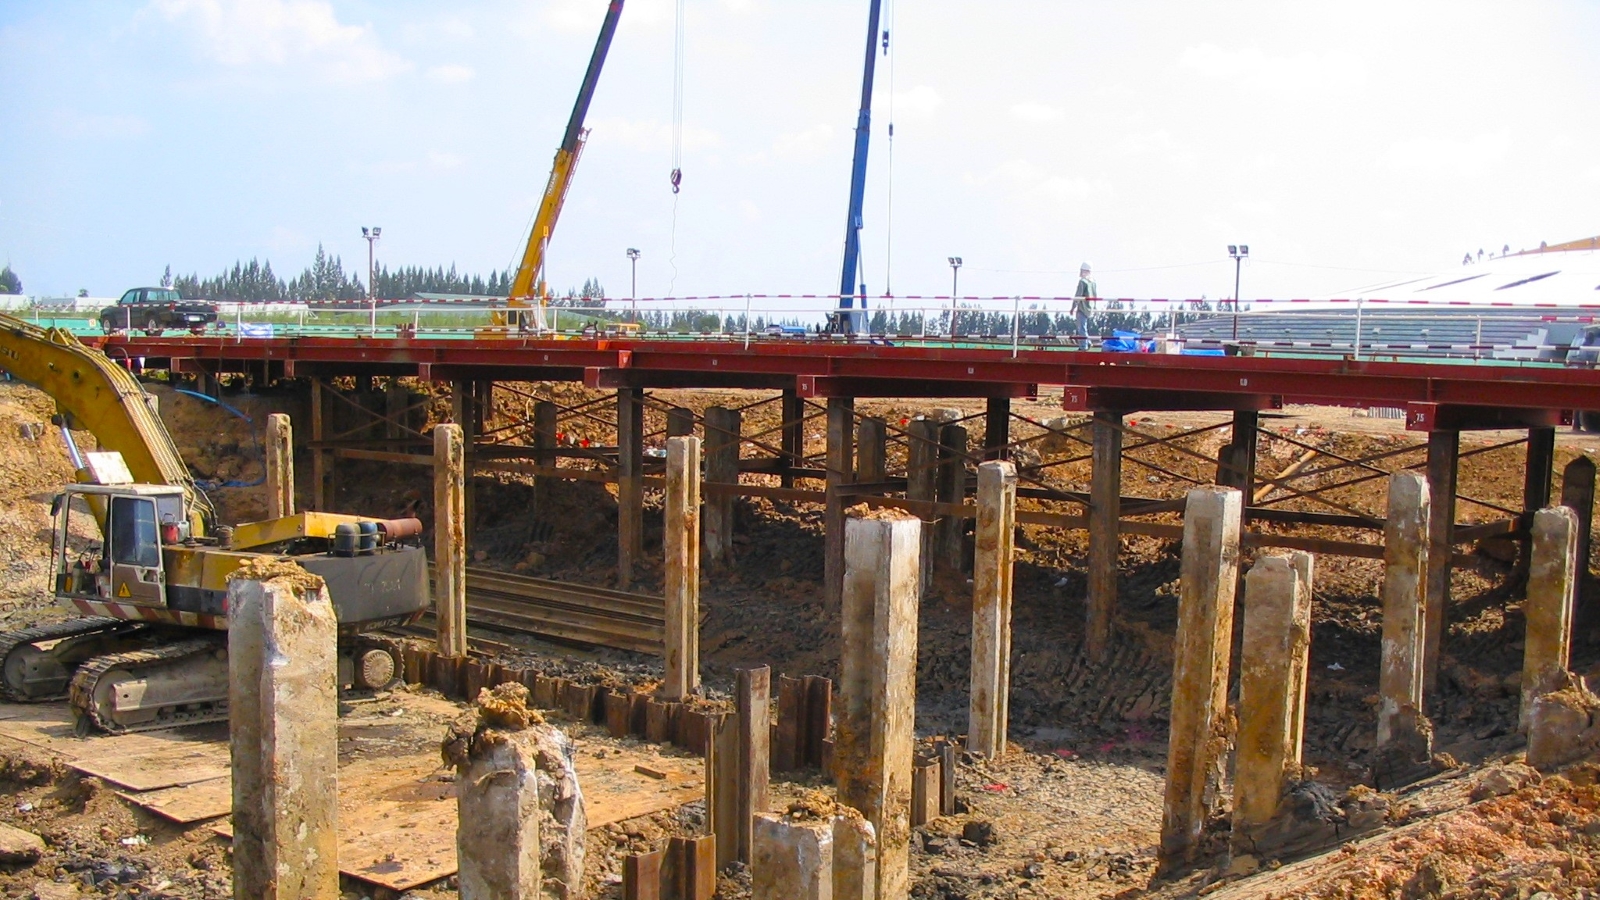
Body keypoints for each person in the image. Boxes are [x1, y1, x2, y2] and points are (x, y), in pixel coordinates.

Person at [1071, 262, 1097, 350]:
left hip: (1082, 307)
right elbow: (1095, 295)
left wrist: (1073, 307)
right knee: (1083, 326)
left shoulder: (1082, 281)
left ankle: (1084, 346)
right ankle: (1088, 342)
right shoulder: (1093, 282)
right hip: (1090, 307)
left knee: (1081, 327)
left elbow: (1078, 295)